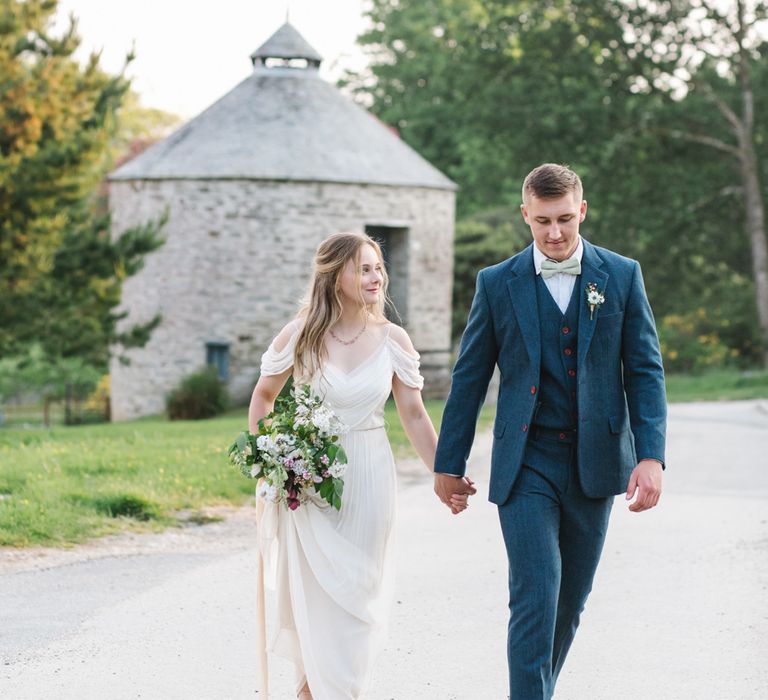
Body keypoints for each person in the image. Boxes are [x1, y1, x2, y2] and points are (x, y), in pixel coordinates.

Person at [433, 163, 667, 699]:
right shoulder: (496, 284)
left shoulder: (623, 275)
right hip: (526, 464)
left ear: (582, 210)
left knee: (569, 604)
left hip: (596, 463)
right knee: (535, 596)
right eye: (543, 221)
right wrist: (449, 464)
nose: (555, 232)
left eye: (565, 218)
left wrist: (650, 454)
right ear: (526, 216)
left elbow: (646, 370)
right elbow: (469, 379)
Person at [249, 231, 474, 699]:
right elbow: (264, 398)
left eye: (377, 268)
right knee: (316, 599)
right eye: (363, 268)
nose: (376, 277)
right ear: (336, 277)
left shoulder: (393, 339)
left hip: (370, 478)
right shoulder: (301, 334)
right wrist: (275, 460)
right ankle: (313, 691)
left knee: (360, 598)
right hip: (311, 484)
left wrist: (444, 470)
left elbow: (413, 413)